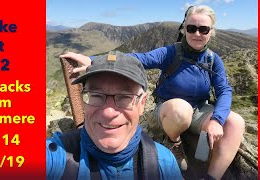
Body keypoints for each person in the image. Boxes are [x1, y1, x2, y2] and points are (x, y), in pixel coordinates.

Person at [59, 5, 245, 180]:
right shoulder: (171, 52)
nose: (197, 33)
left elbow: (224, 90)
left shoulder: (213, 59)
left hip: (199, 110)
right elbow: (139, 59)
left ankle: (212, 176)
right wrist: (92, 60)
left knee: (235, 122)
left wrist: (217, 120)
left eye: (203, 29)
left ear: (211, 32)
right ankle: (175, 143)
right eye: (191, 28)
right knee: (181, 109)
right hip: (168, 110)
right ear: (184, 29)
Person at [47, 51, 182, 179]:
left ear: (142, 103)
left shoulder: (163, 164)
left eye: (124, 97)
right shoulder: (57, 155)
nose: (108, 112)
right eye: (96, 95)